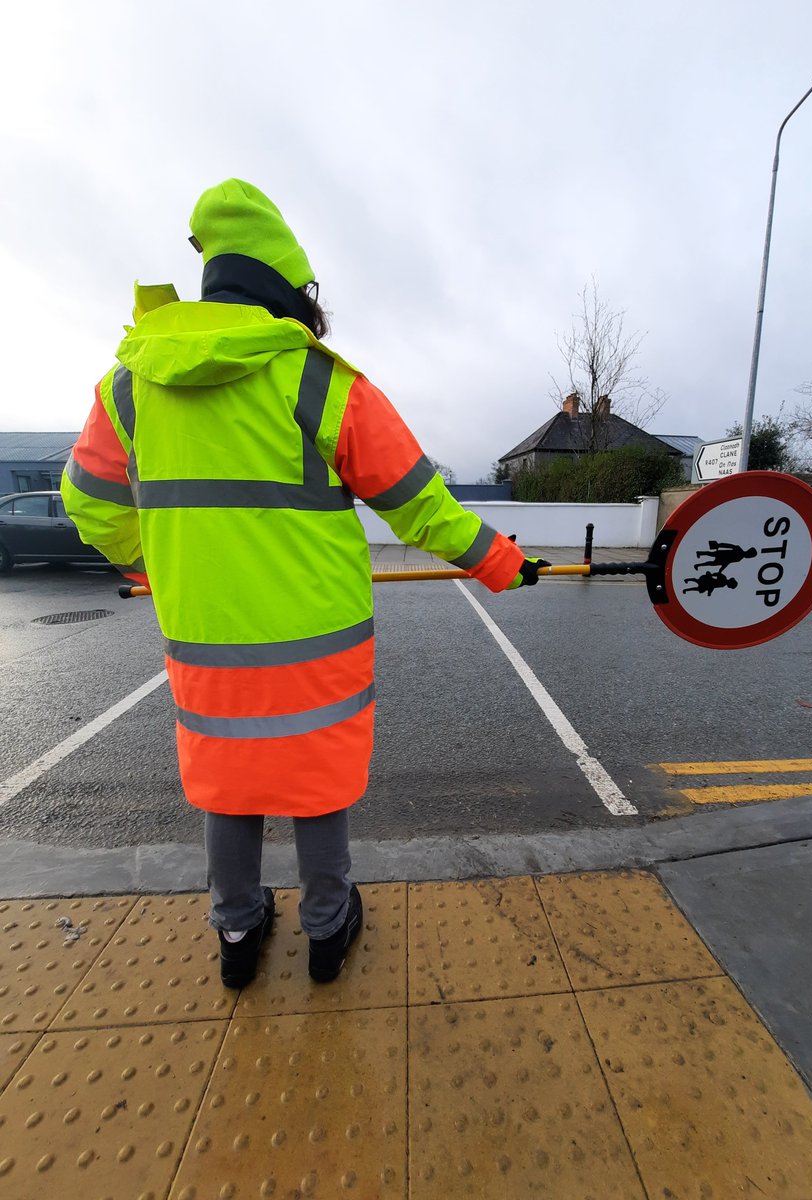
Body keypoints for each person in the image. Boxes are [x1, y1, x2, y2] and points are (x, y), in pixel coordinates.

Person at [61, 179, 547, 988]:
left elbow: (88, 499)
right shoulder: (319, 381)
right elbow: (419, 503)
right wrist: (502, 561)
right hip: (319, 645)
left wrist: (149, 565)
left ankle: (238, 935)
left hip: (206, 644)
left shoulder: (129, 385)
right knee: (316, 787)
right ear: (290, 286)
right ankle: (327, 930)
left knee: (230, 787)